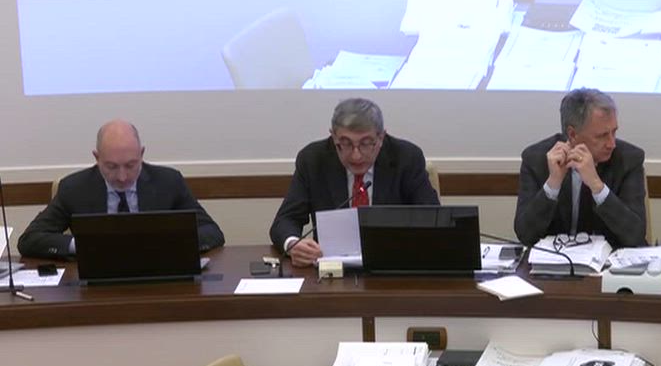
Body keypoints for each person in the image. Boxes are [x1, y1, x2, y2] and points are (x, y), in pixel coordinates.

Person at [17, 119, 225, 259]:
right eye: (112, 167)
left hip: (157, 280)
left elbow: (212, 232)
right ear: (97, 158)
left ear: (141, 154)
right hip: (95, 286)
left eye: (131, 165)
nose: (122, 177)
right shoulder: (75, 188)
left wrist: (168, 242)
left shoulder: (168, 182)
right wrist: (82, 245)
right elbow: (30, 240)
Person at [270, 98, 439, 266]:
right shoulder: (313, 160)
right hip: (330, 270)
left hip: (393, 265)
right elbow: (285, 220)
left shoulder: (406, 158)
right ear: (333, 136)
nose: (356, 156)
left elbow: (433, 218)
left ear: (381, 137)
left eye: (366, 144)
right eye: (346, 144)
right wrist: (293, 244)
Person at [514, 88, 647, 248]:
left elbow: (635, 236)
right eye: (602, 136)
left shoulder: (628, 160)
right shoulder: (536, 160)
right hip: (555, 260)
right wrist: (552, 184)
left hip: (609, 261)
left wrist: (597, 186)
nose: (612, 144)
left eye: (614, 132)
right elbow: (525, 235)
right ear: (572, 134)